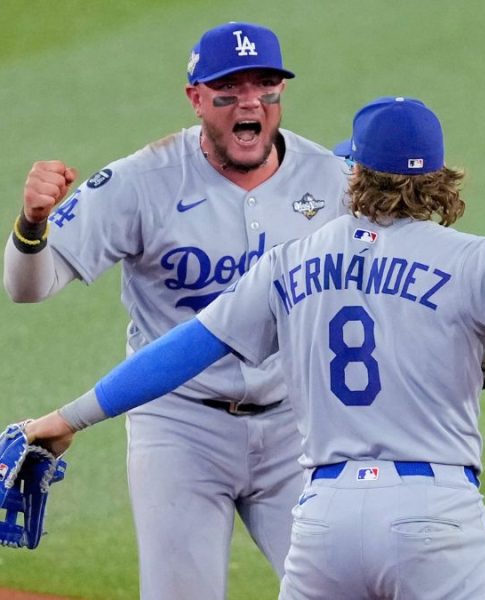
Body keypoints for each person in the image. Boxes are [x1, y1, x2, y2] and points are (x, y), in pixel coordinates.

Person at [19, 96, 485, 600]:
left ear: (354, 173)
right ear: (438, 176)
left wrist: (66, 418)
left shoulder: (290, 261)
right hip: (432, 514)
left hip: (324, 521)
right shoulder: (477, 259)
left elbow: (182, 350)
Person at [3, 22, 350, 600]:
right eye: (228, 90)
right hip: (180, 428)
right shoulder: (142, 181)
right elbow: (27, 288)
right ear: (194, 99)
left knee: (345, 589)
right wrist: (32, 225)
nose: (250, 103)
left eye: (266, 86)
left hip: (299, 427)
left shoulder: (332, 180)